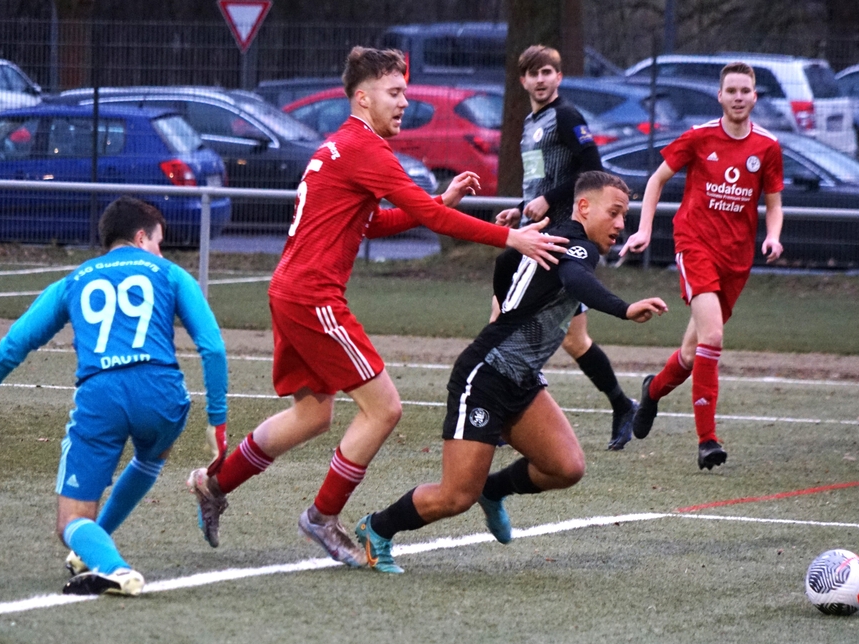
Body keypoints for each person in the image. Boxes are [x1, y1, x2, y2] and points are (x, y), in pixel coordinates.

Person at [185, 46, 568, 567]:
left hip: (290, 291)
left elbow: (374, 222)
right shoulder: (364, 148)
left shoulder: (339, 146)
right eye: (395, 92)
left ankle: (214, 484)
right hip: (312, 295)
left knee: (311, 415)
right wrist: (510, 237)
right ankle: (322, 517)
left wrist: (440, 202)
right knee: (384, 408)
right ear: (363, 98)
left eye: (404, 92)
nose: (405, 102)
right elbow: (428, 219)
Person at [355, 171, 668, 573]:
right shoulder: (578, 246)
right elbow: (576, 279)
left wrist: (507, 304)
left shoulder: (557, 238)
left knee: (566, 467)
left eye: (625, 215)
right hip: (486, 376)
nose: (621, 224)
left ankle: (493, 489)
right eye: (615, 213)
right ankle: (378, 528)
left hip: (521, 378)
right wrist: (624, 309)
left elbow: (506, 261)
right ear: (584, 207)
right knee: (455, 497)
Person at [0, 196, 228, 596]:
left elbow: (17, 341)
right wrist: (217, 420)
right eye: (158, 242)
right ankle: (94, 547)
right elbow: (213, 348)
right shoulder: (170, 273)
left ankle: (113, 567)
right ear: (141, 237)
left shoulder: (74, 280)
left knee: (69, 521)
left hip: (102, 396)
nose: (160, 251)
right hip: (163, 394)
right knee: (151, 455)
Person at [619, 61, 784, 470]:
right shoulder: (698, 137)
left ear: (754, 97)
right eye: (731, 91)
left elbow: (774, 202)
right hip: (695, 246)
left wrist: (773, 235)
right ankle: (707, 441)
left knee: (693, 353)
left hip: (736, 259)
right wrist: (643, 229)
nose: (738, 97)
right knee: (713, 337)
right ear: (720, 96)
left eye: (745, 91)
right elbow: (656, 180)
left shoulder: (767, 147)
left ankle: (652, 392)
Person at [494, 44, 638, 452]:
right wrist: (521, 207)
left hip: (561, 238)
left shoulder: (567, 116)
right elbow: (543, 181)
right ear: (522, 81)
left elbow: (593, 171)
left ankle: (502, 411)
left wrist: (548, 200)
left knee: (506, 319)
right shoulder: (531, 122)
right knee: (573, 340)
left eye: (547, 72)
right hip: (537, 232)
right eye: (533, 73)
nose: (540, 79)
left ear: (559, 77)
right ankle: (622, 404)